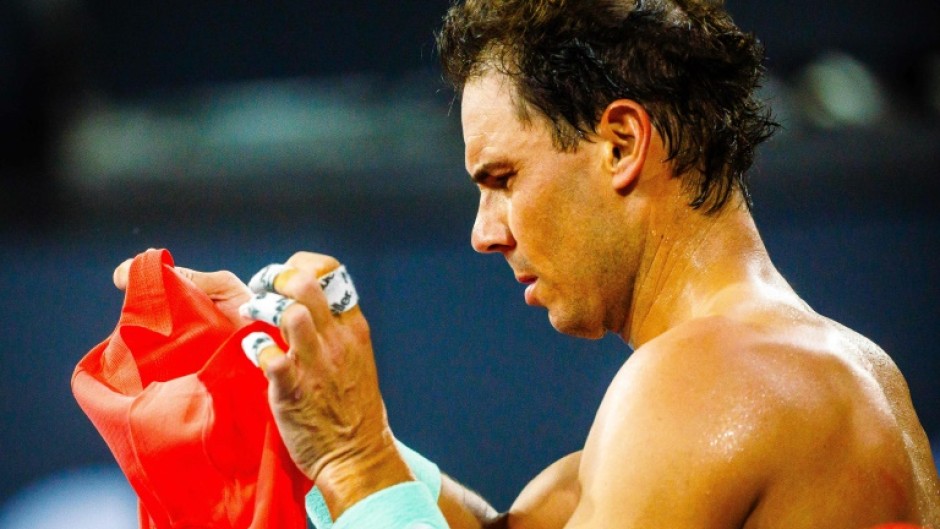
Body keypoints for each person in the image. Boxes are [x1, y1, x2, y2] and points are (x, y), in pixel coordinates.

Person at [114, 0, 940, 527]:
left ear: (620, 143)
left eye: (503, 179)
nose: (484, 231)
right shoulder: (787, 375)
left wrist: (355, 459)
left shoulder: (711, 385)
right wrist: (312, 405)